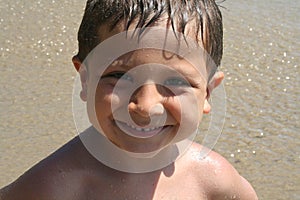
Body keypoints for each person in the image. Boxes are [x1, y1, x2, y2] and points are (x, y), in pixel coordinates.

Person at [0, 0, 258, 199]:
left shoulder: (214, 180)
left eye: (176, 82)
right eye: (119, 76)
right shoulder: (51, 188)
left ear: (208, 93)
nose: (146, 107)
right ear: (85, 80)